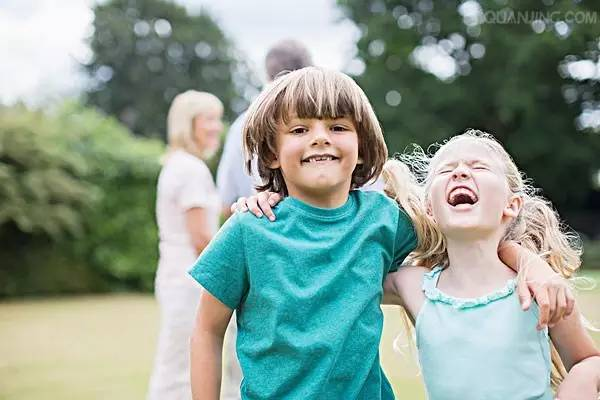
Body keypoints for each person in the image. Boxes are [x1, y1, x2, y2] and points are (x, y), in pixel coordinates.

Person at [188, 68, 571, 399]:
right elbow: (207, 330)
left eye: (337, 127)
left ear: (362, 146)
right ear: (272, 153)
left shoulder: (385, 220)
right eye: (300, 129)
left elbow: (469, 240)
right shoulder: (249, 230)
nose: (320, 138)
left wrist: (531, 265)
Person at [381, 130, 600, 399]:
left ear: (512, 205)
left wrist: (581, 378)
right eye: (446, 170)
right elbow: (352, 271)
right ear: (430, 209)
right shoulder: (414, 286)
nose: (460, 172)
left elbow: (589, 360)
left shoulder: (541, 289)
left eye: (478, 166)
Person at [148, 90, 235, 400]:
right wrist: (238, 272)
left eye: (217, 119)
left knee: (175, 366)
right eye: (208, 119)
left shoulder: (180, 165)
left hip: (177, 279)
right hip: (189, 283)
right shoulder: (189, 168)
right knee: (180, 373)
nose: (216, 127)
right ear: (188, 124)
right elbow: (201, 239)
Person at [216, 39, 313, 219]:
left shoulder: (240, 126)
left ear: (267, 73)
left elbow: (225, 199)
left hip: (259, 223)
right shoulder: (323, 119)